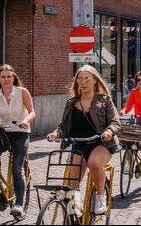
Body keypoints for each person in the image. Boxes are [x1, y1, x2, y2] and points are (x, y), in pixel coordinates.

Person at [47, 65, 121, 215]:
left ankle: (101, 196)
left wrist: (108, 131)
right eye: (80, 79)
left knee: (94, 163)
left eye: (87, 78)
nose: (83, 82)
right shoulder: (71, 103)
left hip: (101, 144)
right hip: (78, 146)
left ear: (94, 80)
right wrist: (56, 133)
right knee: (71, 185)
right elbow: (63, 126)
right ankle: (76, 212)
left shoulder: (104, 101)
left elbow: (115, 122)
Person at [0, 64, 35, 218]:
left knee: (16, 168)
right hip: (3, 133)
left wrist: (26, 120)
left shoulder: (22, 92)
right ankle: (2, 196)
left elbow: (32, 112)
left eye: (9, 76)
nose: (6, 79)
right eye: (3, 77)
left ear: (13, 78)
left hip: (21, 133)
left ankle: (19, 204)